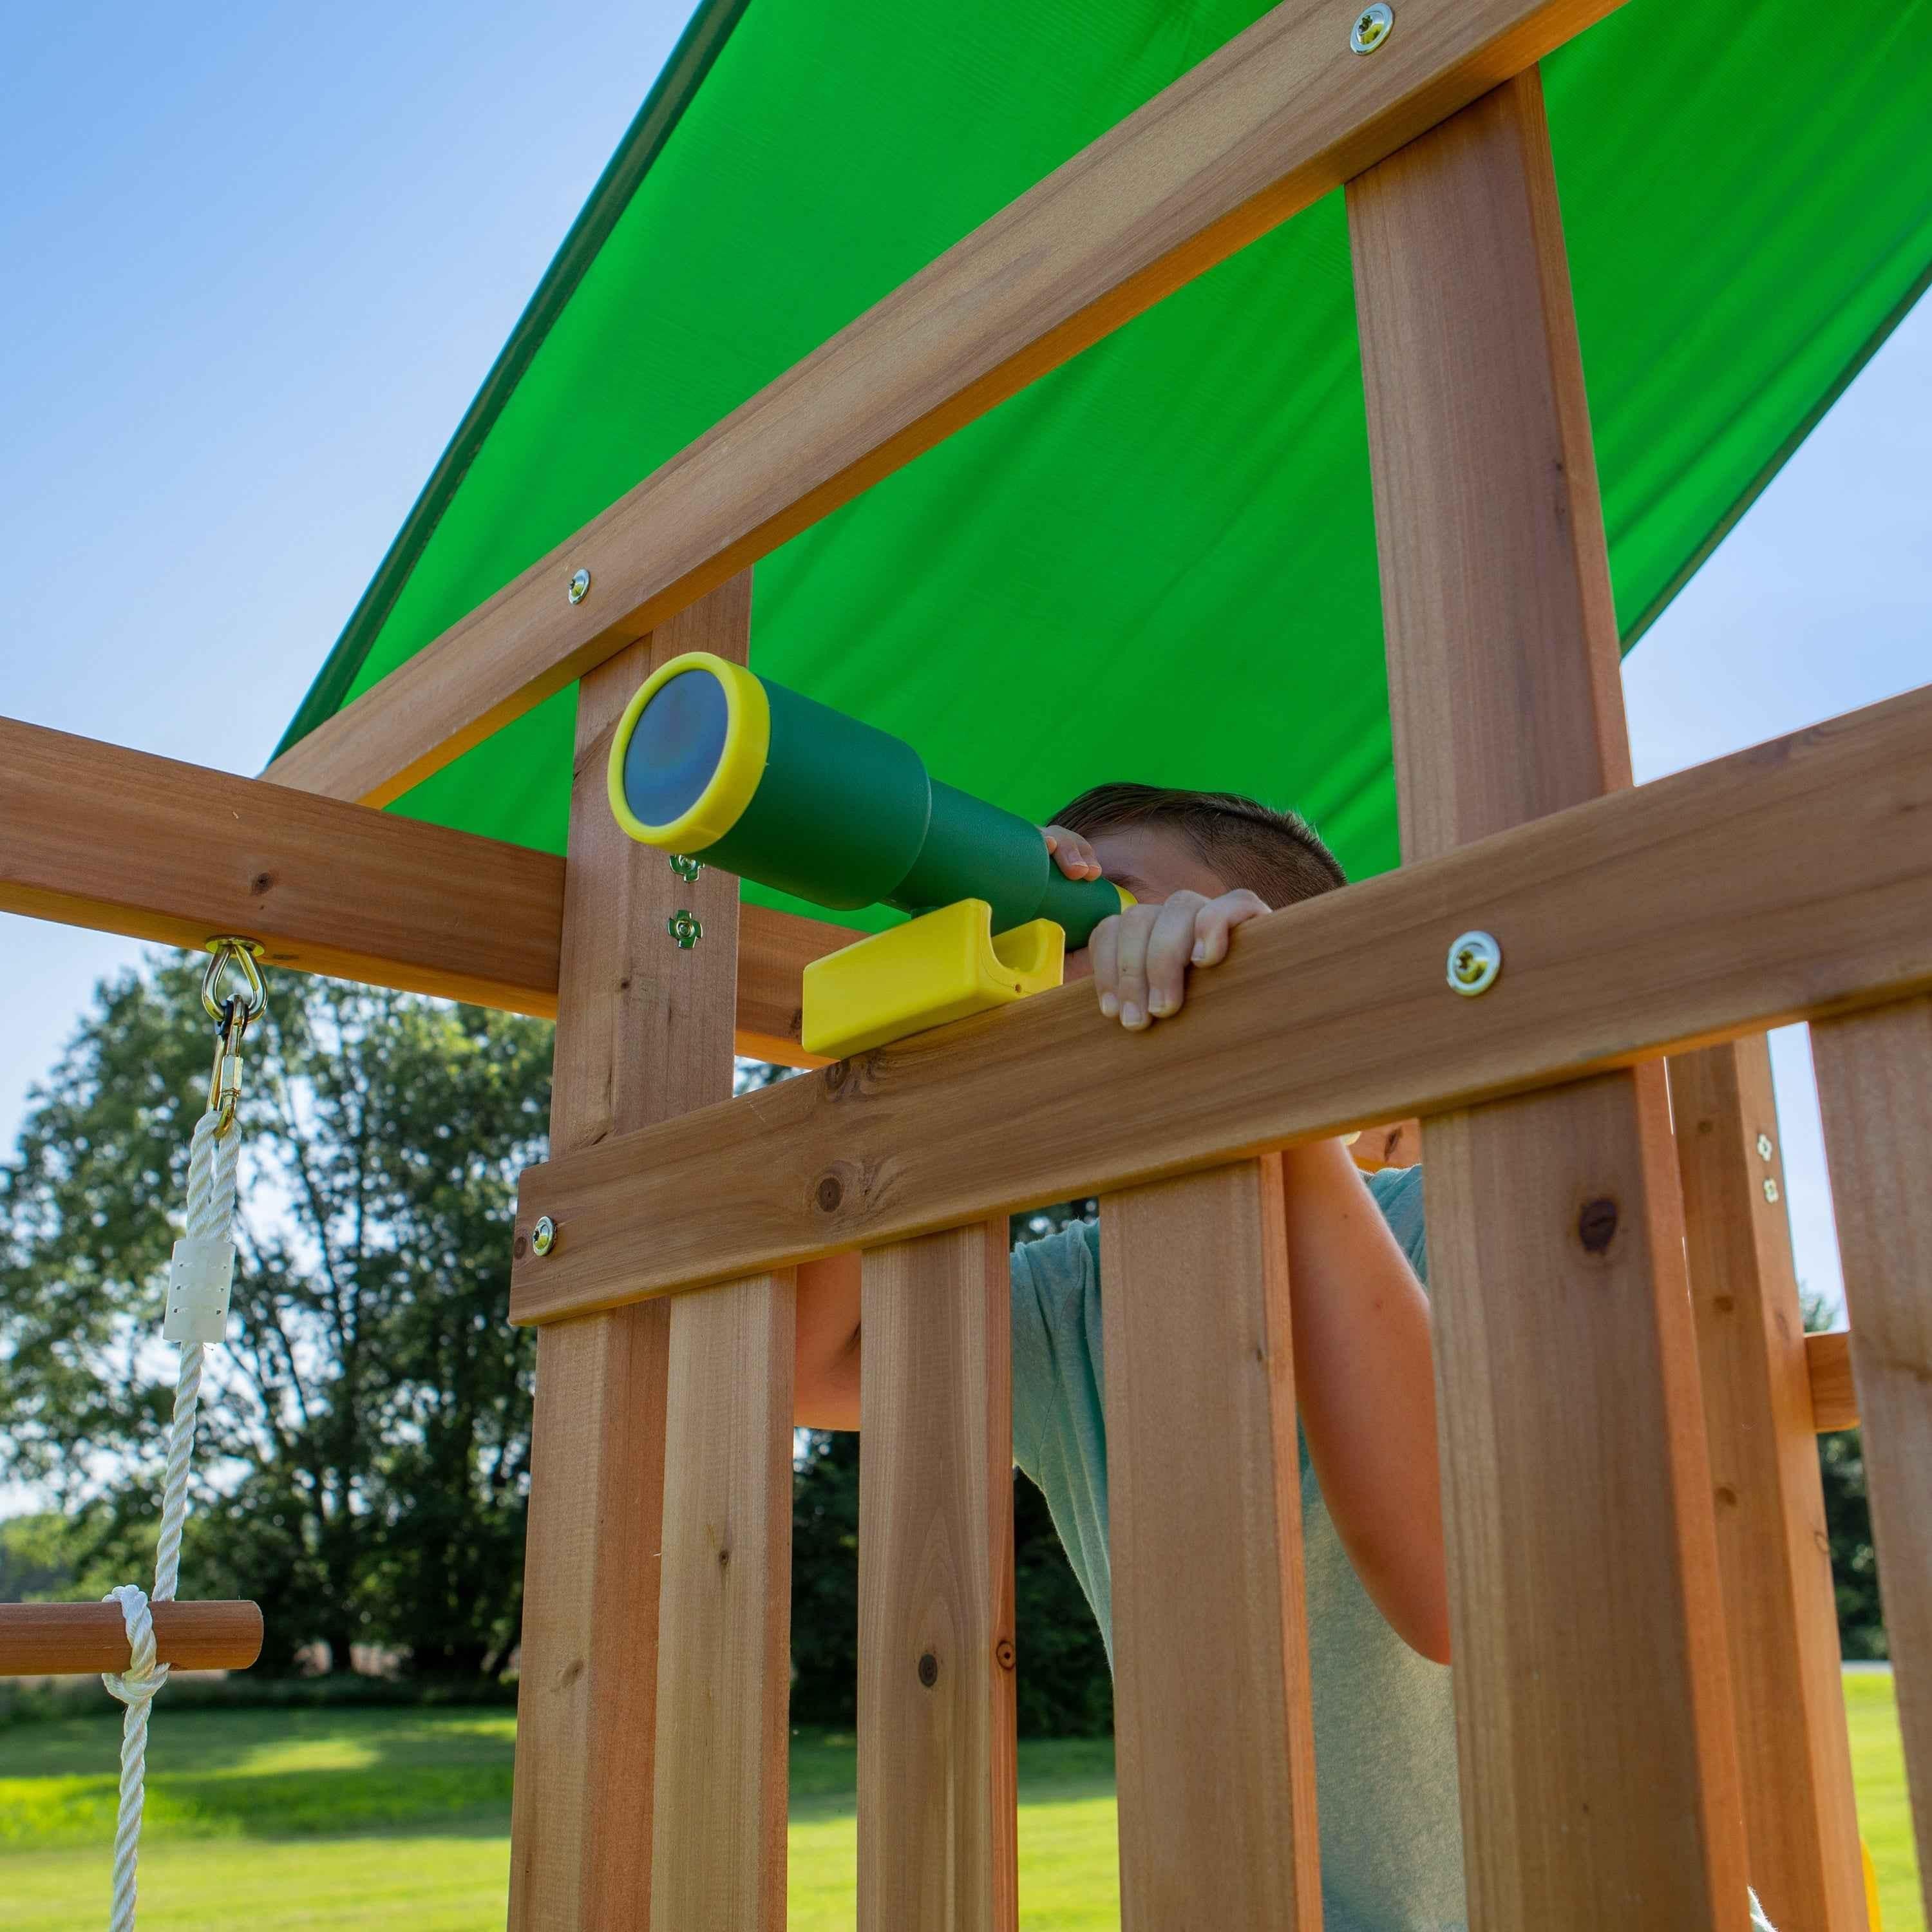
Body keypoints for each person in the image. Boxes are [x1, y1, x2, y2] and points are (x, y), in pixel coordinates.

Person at [791, 783, 1780, 1932]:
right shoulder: (1076, 1303)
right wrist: (937, 1061)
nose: (1104, 961)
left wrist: (1258, 1066)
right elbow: (815, 1366)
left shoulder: (1463, 1205)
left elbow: (1464, 1591)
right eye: (1068, 937)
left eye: (1131, 917)